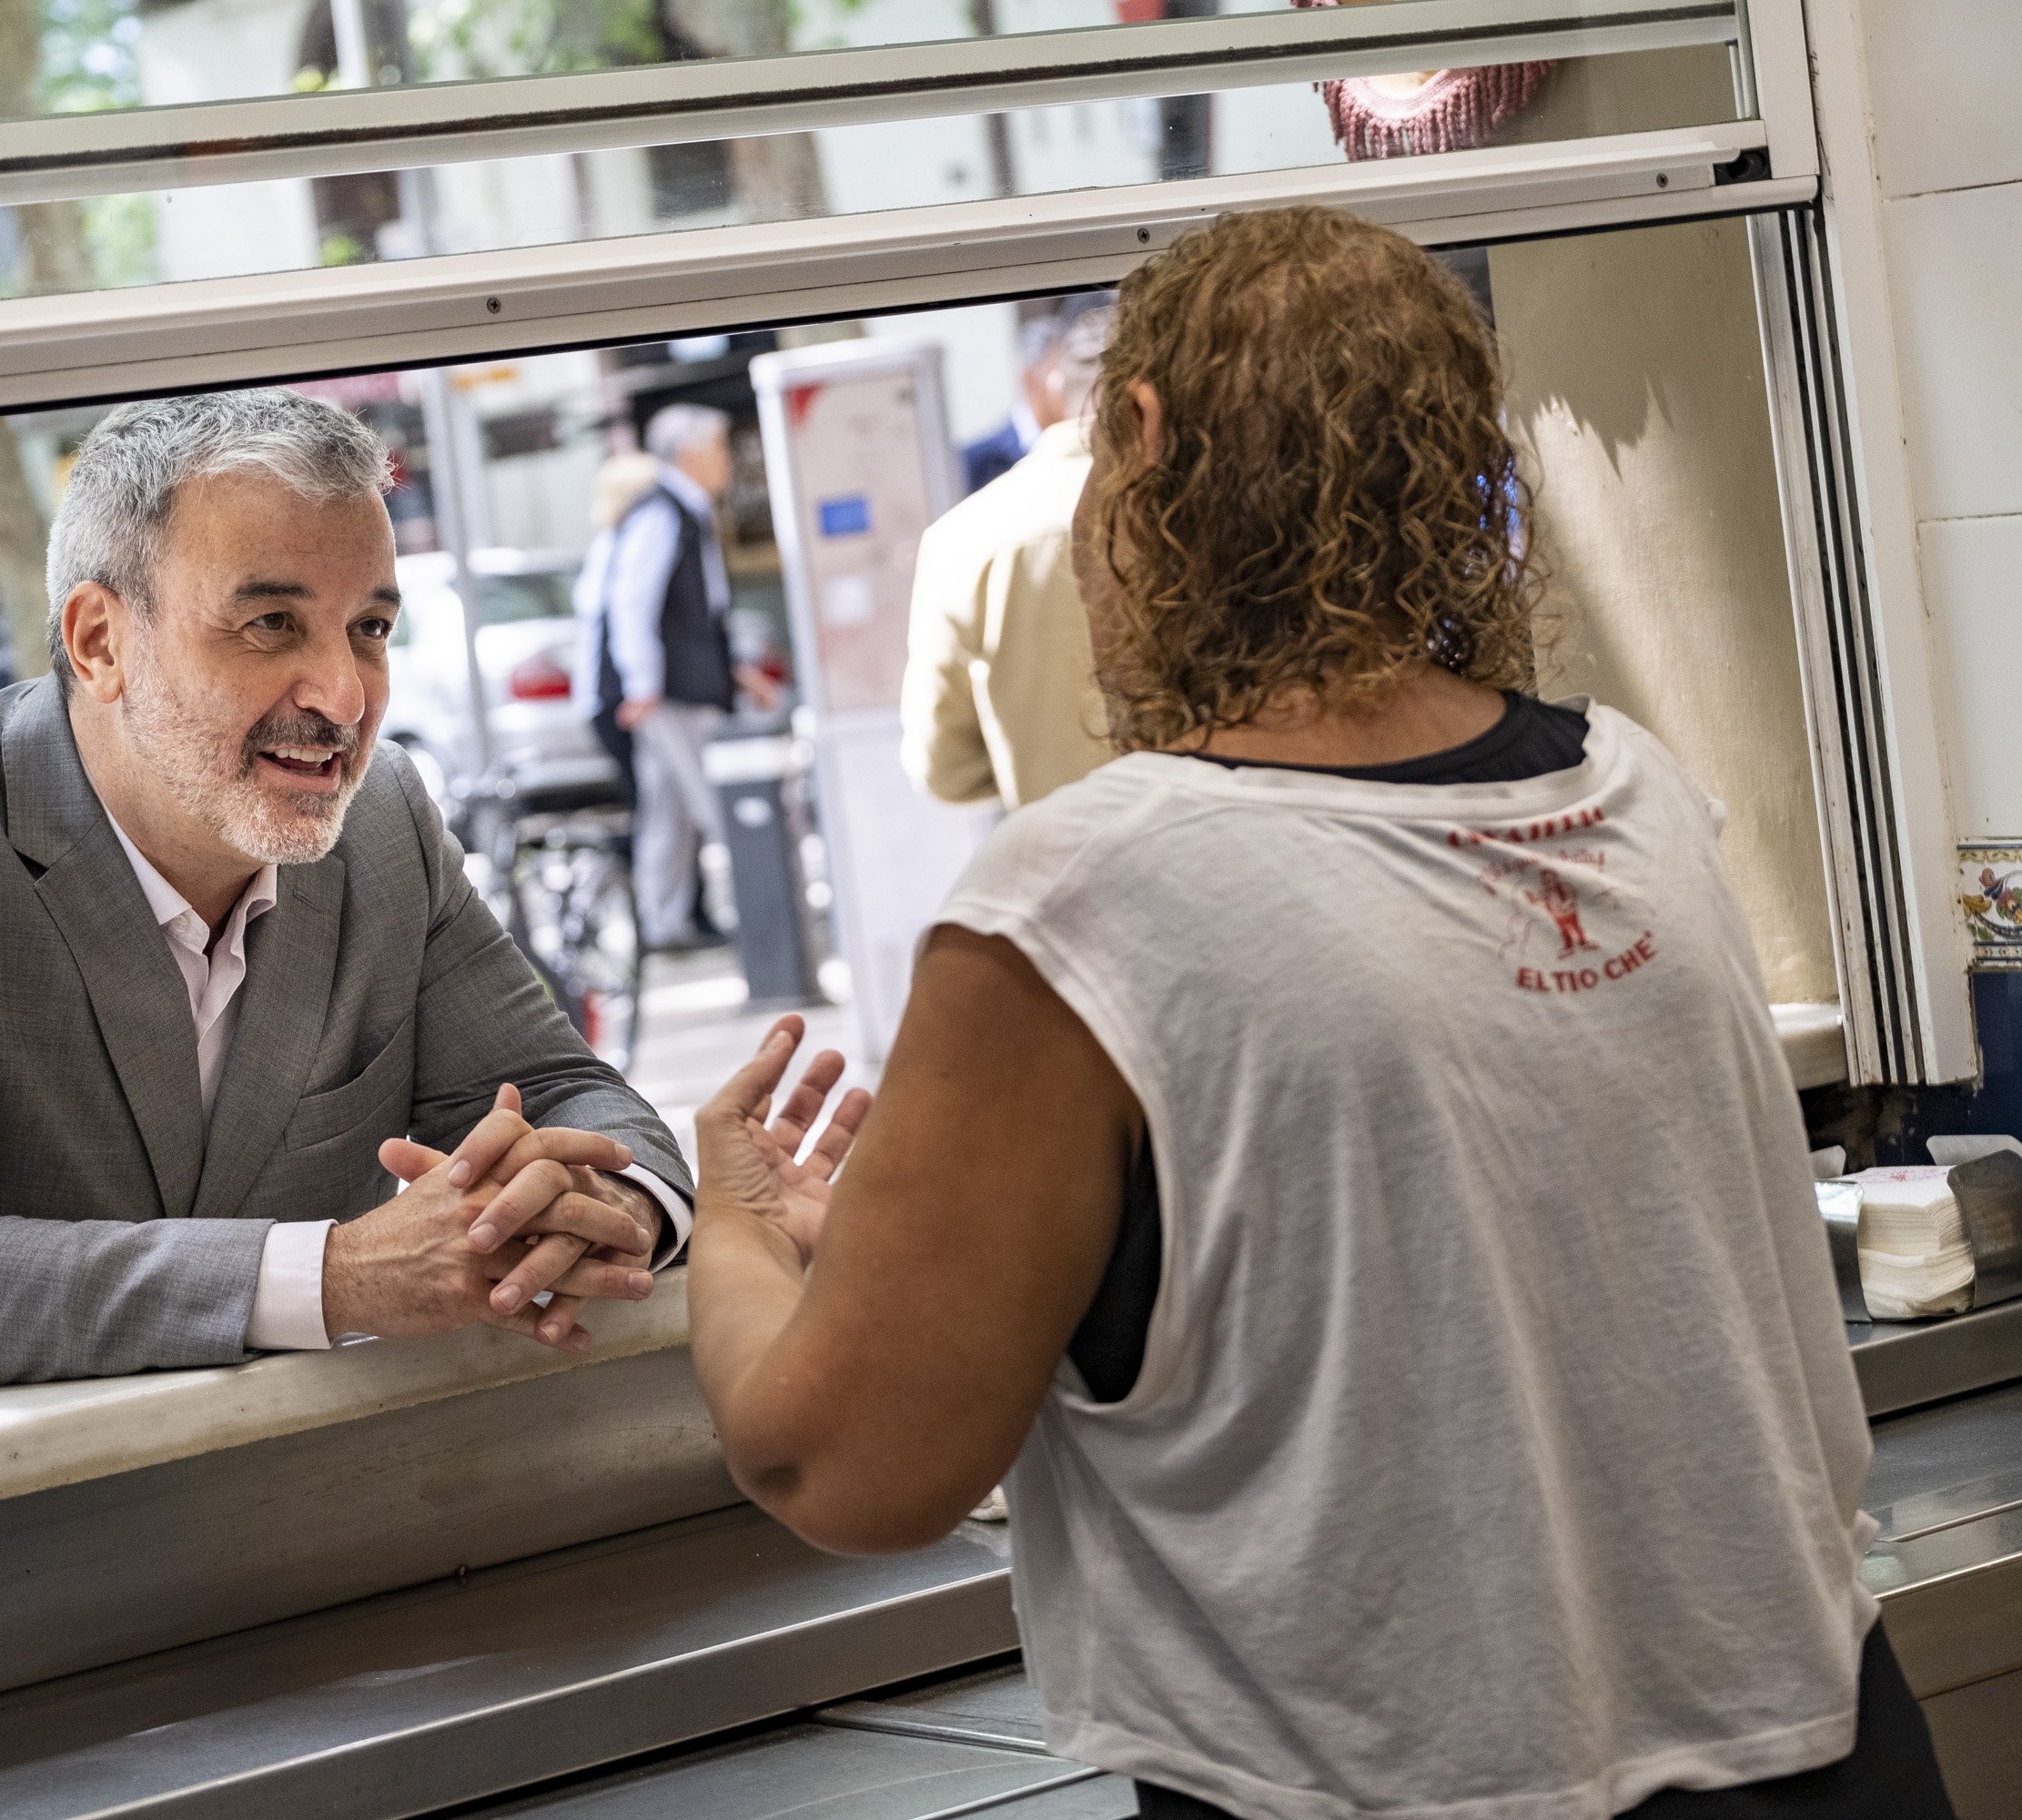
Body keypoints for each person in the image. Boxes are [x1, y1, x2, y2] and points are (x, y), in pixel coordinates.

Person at [684, 207, 1950, 1820]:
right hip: (1836, 1754)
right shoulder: (1635, 794)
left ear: (1135, 448)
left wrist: (736, 1227)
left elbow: (838, 1466)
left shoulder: (1088, 898)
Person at [0, 388, 692, 1397]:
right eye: (271, 622)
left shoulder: (384, 818)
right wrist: (339, 1275)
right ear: (99, 643)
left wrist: (597, 1197)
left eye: (368, 627)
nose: (344, 696)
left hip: (242, 1485)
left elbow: (566, 1089)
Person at [903, 306, 1118, 811]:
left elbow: (943, 768)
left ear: (1053, 388)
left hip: (1059, 854)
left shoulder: (959, 539)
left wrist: (1035, 765)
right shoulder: (1212, 512)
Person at [596, 403, 772, 952]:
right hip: (672, 693)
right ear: (690, 452)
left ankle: (664, 924)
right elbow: (631, 602)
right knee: (719, 809)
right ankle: (769, 921)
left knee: (668, 810)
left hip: (682, 686)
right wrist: (643, 684)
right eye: (718, 448)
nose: (726, 461)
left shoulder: (683, 511)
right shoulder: (663, 512)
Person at [571, 449, 664, 814]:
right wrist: (642, 685)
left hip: (601, 696)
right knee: (652, 803)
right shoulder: (627, 544)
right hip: (618, 695)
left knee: (652, 805)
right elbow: (629, 611)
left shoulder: (606, 546)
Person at [958, 312, 1077, 495]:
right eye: (1059, 374)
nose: (1070, 386)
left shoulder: (1085, 445)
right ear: (1029, 378)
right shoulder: (973, 463)